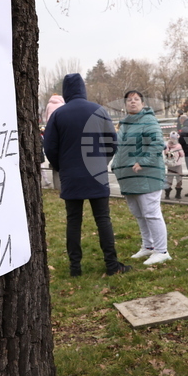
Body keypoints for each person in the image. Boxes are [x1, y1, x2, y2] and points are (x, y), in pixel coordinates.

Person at [43, 74, 131, 277]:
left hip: (71, 174)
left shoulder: (58, 114)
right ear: (83, 89)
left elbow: (49, 147)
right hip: (97, 172)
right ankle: (111, 264)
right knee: (103, 219)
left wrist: (60, 167)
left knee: (73, 221)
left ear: (65, 91)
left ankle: (75, 268)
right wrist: (102, 162)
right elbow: (112, 142)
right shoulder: (98, 111)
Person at [111, 90, 171, 266]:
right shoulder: (125, 124)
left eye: (136, 100)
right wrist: (116, 165)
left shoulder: (148, 120)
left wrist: (143, 162)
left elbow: (157, 143)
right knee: (139, 214)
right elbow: (121, 148)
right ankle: (149, 246)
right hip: (129, 177)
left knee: (151, 213)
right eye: (129, 100)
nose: (132, 102)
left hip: (146, 175)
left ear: (143, 104)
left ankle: (162, 251)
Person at [163, 131, 185, 199]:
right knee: (179, 179)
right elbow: (182, 155)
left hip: (170, 165)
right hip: (178, 165)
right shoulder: (178, 146)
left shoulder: (167, 145)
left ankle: (167, 195)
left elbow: (165, 153)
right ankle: (178, 195)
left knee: (169, 179)